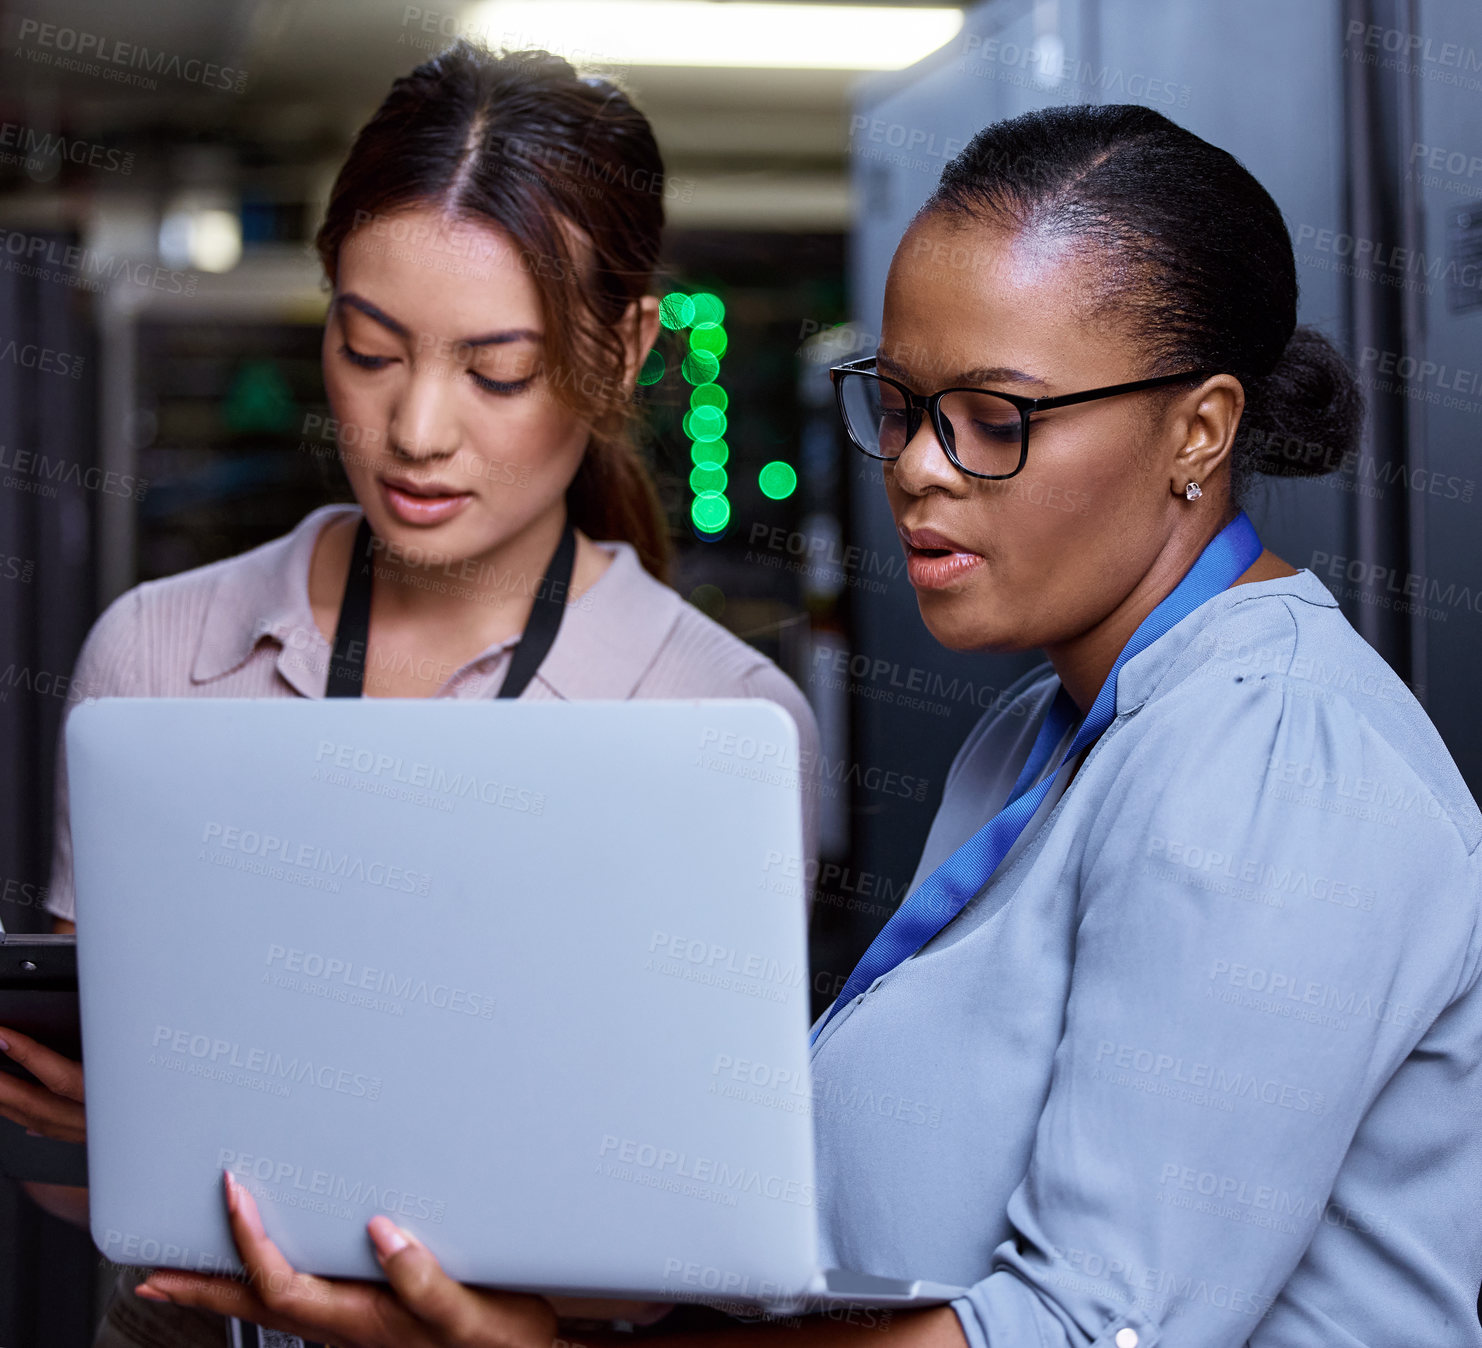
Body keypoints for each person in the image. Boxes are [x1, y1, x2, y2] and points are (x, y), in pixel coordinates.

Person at [122, 101, 1482, 1348]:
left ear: (1199, 431)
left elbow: (1084, 1334)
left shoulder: (1274, 764)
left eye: (991, 420)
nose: (916, 470)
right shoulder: (1041, 729)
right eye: (897, 406)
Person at [0, 41, 820, 1348]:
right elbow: (78, 1177)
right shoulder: (158, 656)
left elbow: (678, 1239)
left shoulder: (719, 721)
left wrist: (261, 1132)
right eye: (370, 349)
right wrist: (130, 1126)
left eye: (497, 371)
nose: (417, 427)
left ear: (623, 348)